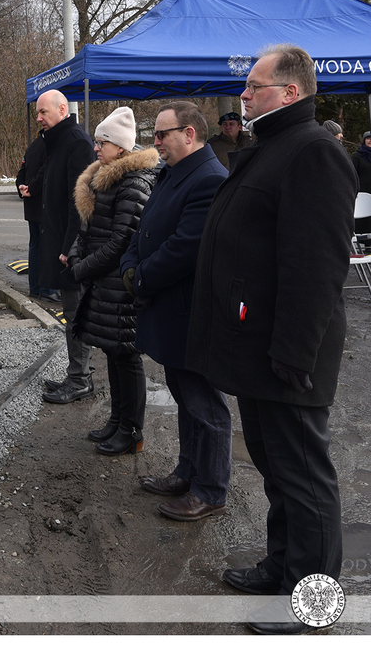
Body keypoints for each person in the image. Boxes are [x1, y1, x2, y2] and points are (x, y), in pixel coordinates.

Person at [186, 45, 356, 634]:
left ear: (290, 93)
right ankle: (283, 566)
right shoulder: (270, 149)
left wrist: (293, 352)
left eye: (255, 87)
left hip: (288, 355)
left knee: (305, 479)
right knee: (278, 469)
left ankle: (311, 606)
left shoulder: (313, 153)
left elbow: (316, 267)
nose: (245, 95)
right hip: (258, 348)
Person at [119, 101, 232, 512]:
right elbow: (144, 230)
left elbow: (186, 247)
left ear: (189, 134)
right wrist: (131, 266)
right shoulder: (171, 174)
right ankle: (187, 471)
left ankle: (211, 490)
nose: (156, 142)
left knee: (205, 405)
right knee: (186, 397)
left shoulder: (209, 178)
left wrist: (141, 276)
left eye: (162, 134)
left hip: (191, 313)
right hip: (168, 308)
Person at [66, 107, 157, 455]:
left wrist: (82, 268)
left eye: (101, 142)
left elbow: (122, 241)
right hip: (104, 283)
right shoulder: (107, 178)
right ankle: (117, 421)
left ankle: (132, 431)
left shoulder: (133, 183)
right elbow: (89, 230)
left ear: (120, 148)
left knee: (126, 357)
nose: (96, 148)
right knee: (112, 353)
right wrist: (78, 256)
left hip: (120, 285)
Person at [33, 90, 97, 405]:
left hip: (71, 249)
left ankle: (80, 380)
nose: (40, 119)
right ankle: (77, 373)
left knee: (76, 313)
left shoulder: (76, 143)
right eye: (37, 115)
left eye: (43, 112)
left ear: (61, 109)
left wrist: (72, 244)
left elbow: (81, 202)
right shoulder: (60, 141)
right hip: (62, 244)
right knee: (70, 312)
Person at [16, 132, 55, 300]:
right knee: (46, 248)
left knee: (35, 247)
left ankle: (35, 288)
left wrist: (22, 187)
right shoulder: (51, 146)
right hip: (44, 203)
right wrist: (31, 188)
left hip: (32, 206)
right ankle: (47, 289)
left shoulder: (33, 145)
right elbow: (45, 172)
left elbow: (22, 171)